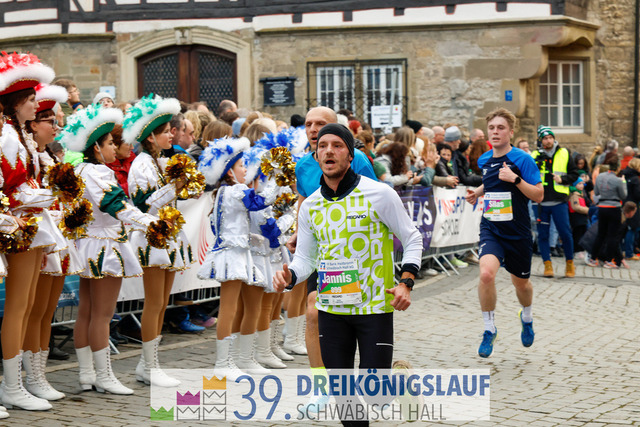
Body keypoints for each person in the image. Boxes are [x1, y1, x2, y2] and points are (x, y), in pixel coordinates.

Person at [273, 124, 422, 425]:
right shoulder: (311, 205)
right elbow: (305, 258)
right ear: (316, 155)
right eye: (323, 146)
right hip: (332, 309)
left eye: (337, 145)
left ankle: (399, 381)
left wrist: (405, 282)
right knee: (344, 398)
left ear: (350, 155)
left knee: (375, 396)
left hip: (373, 308)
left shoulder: (380, 194)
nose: (329, 151)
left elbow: (412, 238)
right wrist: (290, 276)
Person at [57, 104, 170, 395]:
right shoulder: (99, 172)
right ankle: (104, 376)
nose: (114, 148)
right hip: (104, 246)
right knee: (102, 314)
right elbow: (116, 206)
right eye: (109, 143)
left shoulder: (80, 169)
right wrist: (150, 222)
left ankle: (87, 374)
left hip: (88, 243)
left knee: (86, 311)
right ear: (96, 147)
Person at [286, 107, 377, 390]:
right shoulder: (303, 165)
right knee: (313, 310)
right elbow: (304, 202)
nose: (313, 129)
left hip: (358, 253)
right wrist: (299, 232)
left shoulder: (357, 159)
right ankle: (321, 386)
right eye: (309, 124)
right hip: (323, 253)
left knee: (353, 317)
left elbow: (376, 199)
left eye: (321, 123)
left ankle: (370, 377)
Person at [0, 52, 69, 413]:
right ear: (15, 103)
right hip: (19, 225)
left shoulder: (18, 135)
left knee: (26, 306)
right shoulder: (9, 136)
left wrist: (48, 195)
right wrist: (52, 195)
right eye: (29, 100)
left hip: (28, 225)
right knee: (18, 307)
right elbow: (14, 190)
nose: (34, 104)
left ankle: (18, 383)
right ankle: (11, 385)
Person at [123, 94, 195, 387]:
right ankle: (148, 365)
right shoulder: (140, 164)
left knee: (162, 302)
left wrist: (185, 185)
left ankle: (149, 363)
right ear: (150, 137)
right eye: (165, 131)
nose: (171, 135)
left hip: (165, 236)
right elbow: (143, 204)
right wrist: (174, 187)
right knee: (154, 303)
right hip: (150, 238)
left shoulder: (159, 161)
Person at [22, 83, 84, 403]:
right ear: (34, 125)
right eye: (51, 121)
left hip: (57, 239)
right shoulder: (28, 155)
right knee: (34, 311)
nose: (57, 127)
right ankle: (29, 376)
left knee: (47, 311)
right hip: (38, 237)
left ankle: (39, 375)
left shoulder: (48, 156)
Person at [465, 108, 543, 358]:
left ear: (510, 132)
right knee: (486, 274)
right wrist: (478, 192)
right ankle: (489, 329)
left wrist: (515, 180)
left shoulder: (523, 160)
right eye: (491, 128)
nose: (495, 132)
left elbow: (539, 195)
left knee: (522, 284)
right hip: (492, 228)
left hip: (518, 232)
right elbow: (491, 182)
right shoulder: (484, 160)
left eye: (501, 128)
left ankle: (527, 317)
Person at [197, 136, 278, 380]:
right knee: (228, 309)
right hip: (233, 255)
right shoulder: (236, 190)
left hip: (232, 252)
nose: (245, 169)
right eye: (241, 165)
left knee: (230, 308)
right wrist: (276, 179)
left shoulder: (222, 192)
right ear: (230, 172)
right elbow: (261, 202)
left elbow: (219, 226)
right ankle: (223, 363)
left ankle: (231, 360)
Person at [532, 126, 579, 277]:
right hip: (541, 202)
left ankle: (570, 263)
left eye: (550, 138)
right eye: (545, 138)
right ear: (540, 141)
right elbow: (528, 175)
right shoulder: (534, 155)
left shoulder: (564, 153)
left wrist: (562, 179)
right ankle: (547, 264)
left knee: (565, 233)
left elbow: (574, 174)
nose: (548, 141)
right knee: (543, 235)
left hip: (559, 201)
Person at [586, 154, 627, 267]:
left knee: (600, 234)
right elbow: (623, 195)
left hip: (602, 207)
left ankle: (593, 258)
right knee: (612, 235)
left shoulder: (600, 177)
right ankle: (608, 261)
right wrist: (624, 183)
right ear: (617, 167)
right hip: (614, 208)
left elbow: (596, 192)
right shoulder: (618, 180)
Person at [105, 124, 135, 196]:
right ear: (115, 145)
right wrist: (137, 185)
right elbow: (113, 192)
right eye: (128, 144)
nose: (132, 147)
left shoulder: (133, 159)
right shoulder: (105, 167)